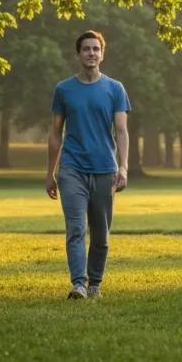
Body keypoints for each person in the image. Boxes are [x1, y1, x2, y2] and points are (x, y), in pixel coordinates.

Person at [46, 29, 130, 299]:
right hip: (72, 169)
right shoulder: (64, 89)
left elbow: (121, 130)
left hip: (105, 169)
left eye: (96, 49)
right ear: (78, 54)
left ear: (102, 54)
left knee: (101, 235)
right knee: (76, 229)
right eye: (86, 49)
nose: (91, 53)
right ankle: (79, 284)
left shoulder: (115, 89)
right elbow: (55, 133)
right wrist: (50, 173)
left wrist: (124, 166)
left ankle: (95, 283)